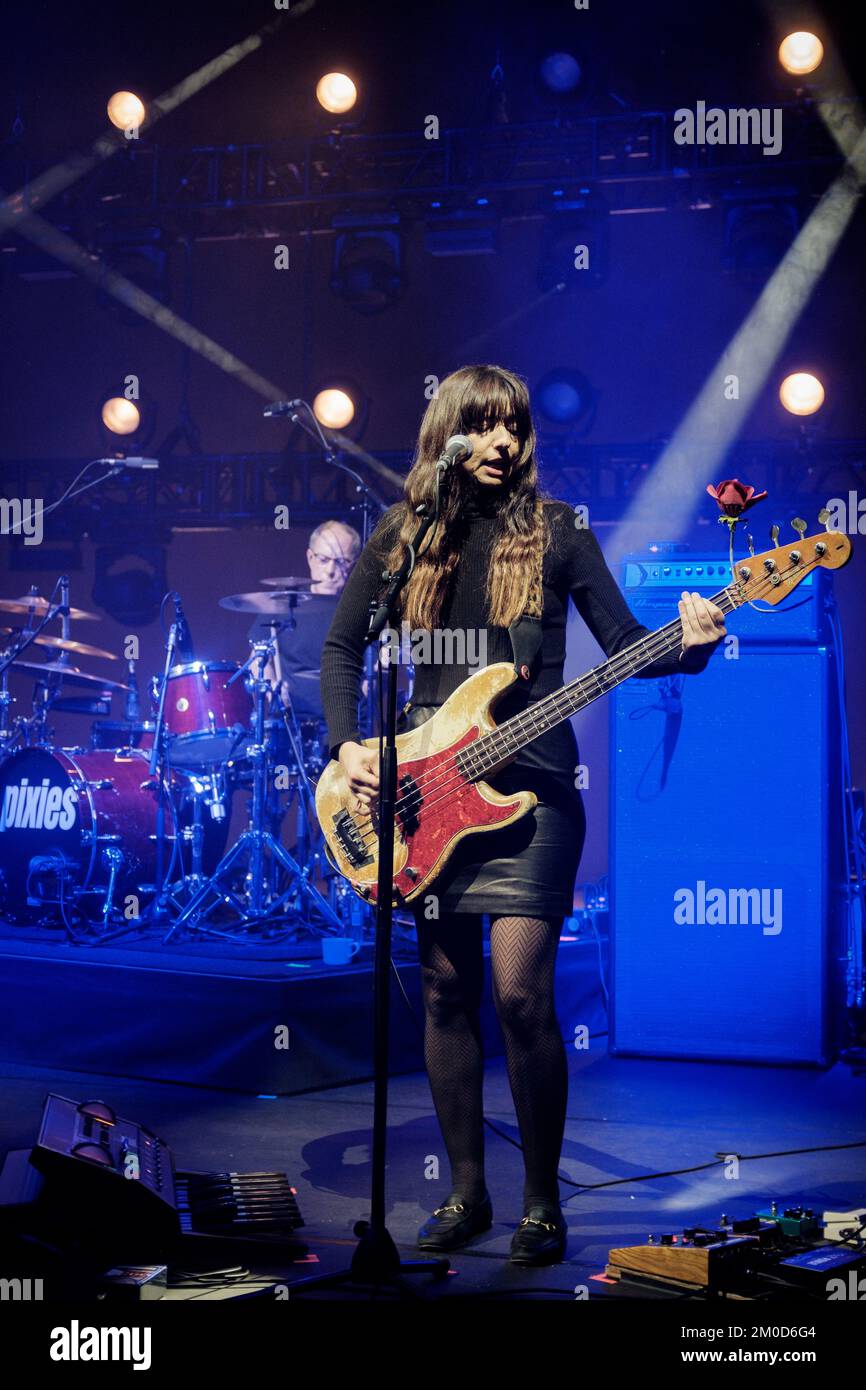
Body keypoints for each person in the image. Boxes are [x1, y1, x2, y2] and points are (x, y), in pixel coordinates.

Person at [319, 365, 726, 1266]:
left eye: (516, 427)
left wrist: (689, 650)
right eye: (487, 426)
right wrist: (348, 749)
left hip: (533, 795)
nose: (506, 442)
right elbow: (344, 645)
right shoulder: (404, 534)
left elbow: (624, 646)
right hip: (422, 799)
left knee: (518, 993)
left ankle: (542, 1202)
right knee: (441, 989)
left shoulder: (559, 532)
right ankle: (467, 1192)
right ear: (451, 433)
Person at [248, 519, 361, 722]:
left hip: (346, 722)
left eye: (341, 561)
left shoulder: (362, 608)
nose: (331, 571)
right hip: (291, 721)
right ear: (310, 558)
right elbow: (258, 657)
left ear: (354, 563)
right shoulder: (284, 600)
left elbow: (382, 662)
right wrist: (272, 688)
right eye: (324, 560)